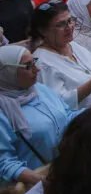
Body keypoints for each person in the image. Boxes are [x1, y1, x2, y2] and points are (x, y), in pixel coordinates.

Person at [0, 45, 76, 184]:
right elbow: (4, 162)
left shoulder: (39, 89)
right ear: (7, 72)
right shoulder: (3, 110)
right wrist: (41, 180)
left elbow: (67, 115)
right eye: (28, 66)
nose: (37, 69)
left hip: (64, 173)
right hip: (35, 188)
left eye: (34, 62)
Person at [31, 1, 91, 108]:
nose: (69, 27)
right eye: (60, 24)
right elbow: (56, 105)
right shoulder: (41, 62)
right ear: (43, 30)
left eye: (70, 21)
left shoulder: (75, 46)